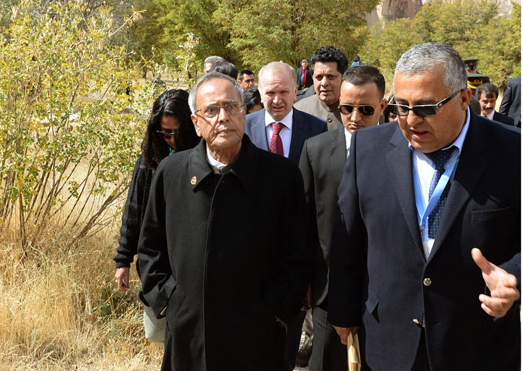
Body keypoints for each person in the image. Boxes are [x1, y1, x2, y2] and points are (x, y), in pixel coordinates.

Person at [328, 43, 520, 370]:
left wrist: (514, 276)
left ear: (463, 99)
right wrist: (344, 313)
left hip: (478, 343)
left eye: (426, 107)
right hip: (389, 342)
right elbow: (348, 241)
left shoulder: (512, 152)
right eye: (401, 107)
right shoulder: (368, 149)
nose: (411, 120)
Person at [137, 72, 314, 371]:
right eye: (211, 110)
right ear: (195, 123)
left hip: (257, 339)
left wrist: (274, 310)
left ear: (244, 112)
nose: (223, 117)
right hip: (188, 335)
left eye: (232, 107)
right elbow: (150, 248)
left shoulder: (280, 177)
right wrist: (170, 301)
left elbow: (298, 254)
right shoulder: (172, 172)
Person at [300, 65, 386, 371]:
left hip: (384, 296)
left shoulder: (403, 152)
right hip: (328, 292)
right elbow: (304, 222)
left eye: (365, 109)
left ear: (382, 106)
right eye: (347, 108)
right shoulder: (316, 150)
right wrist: (304, 281)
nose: (354, 117)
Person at [245, 61, 327, 370]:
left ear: (296, 90)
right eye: (270, 93)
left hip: (296, 254)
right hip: (252, 254)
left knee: (288, 346)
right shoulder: (244, 126)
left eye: (283, 92)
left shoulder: (315, 129)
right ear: (260, 93)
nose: (277, 100)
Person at [113, 89, 200, 340]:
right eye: (164, 133)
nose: (171, 139)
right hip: (157, 268)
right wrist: (123, 259)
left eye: (176, 132)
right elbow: (134, 209)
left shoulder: (203, 159)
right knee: (157, 334)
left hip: (190, 266)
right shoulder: (149, 158)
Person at [294, 46, 348, 130]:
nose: (324, 83)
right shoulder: (298, 111)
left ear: (344, 77)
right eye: (319, 77)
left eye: (330, 76)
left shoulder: (358, 113)